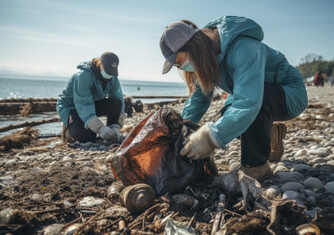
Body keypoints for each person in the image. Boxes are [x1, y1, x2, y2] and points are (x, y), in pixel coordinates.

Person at [159, 16, 308, 180]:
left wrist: (209, 139)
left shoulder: (243, 48)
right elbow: (198, 100)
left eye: (179, 62)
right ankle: (269, 133)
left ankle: (257, 167)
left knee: (249, 109)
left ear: (191, 46)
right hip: (253, 96)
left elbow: (248, 102)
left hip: (289, 94)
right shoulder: (204, 58)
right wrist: (179, 131)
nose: (180, 67)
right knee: (220, 120)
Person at [57, 52, 126, 143]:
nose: (109, 75)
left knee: (116, 102)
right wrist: (100, 128)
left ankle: (111, 130)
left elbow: (118, 96)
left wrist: (116, 126)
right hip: (71, 107)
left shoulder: (113, 77)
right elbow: (83, 103)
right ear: (100, 64)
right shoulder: (83, 76)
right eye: (107, 70)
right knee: (87, 137)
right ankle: (68, 131)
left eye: (111, 71)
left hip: (91, 105)